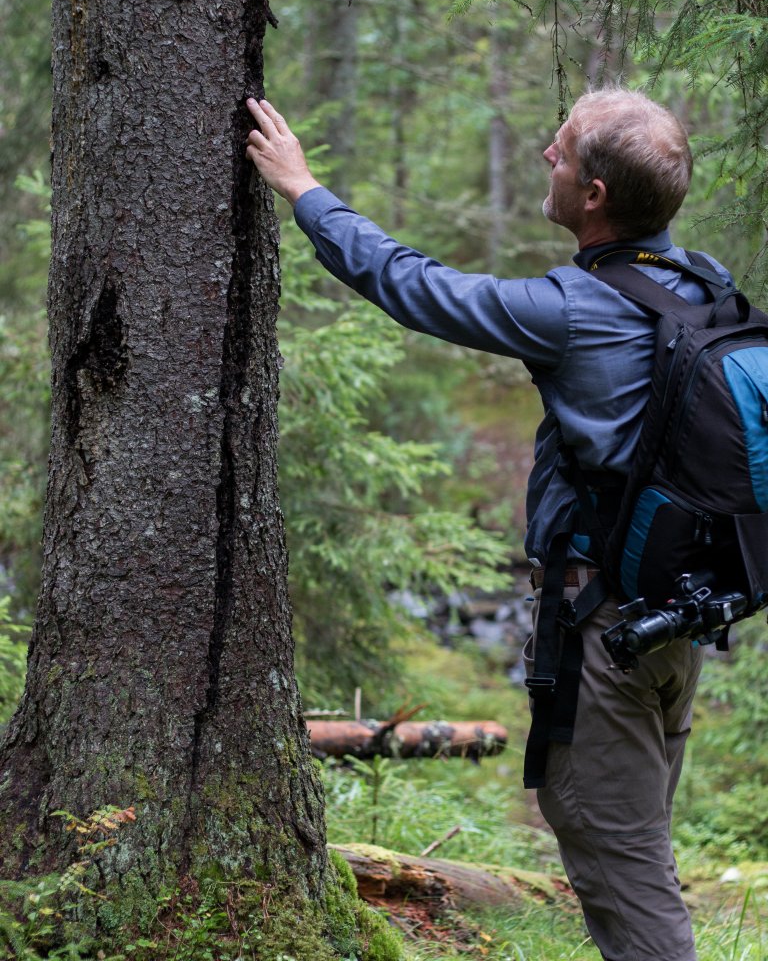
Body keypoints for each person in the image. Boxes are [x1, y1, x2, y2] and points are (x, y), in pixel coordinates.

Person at [246, 89, 726, 961]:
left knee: (625, 870)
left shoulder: (578, 311)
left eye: (565, 147)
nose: (549, 151)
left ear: (593, 196)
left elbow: (415, 286)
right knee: (635, 845)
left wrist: (304, 190)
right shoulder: (701, 286)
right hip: (675, 622)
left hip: (605, 634)